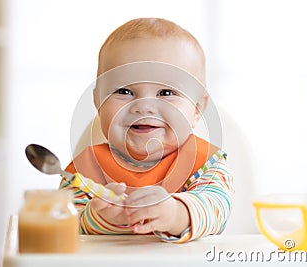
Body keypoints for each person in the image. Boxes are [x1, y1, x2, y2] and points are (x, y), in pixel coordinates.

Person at [60, 17, 234, 243]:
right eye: (124, 91)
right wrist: (96, 218)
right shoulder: (84, 172)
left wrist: (175, 214)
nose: (143, 106)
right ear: (98, 102)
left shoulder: (206, 164)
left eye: (166, 93)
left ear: (197, 109)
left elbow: (216, 208)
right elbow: (63, 226)